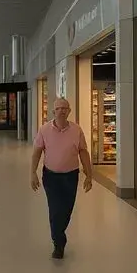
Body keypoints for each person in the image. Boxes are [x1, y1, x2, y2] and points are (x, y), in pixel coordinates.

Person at [30, 97, 93, 260]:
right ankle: (58, 243)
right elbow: (37, 152)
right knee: (55, 209)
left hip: (71, 177)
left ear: (69, 111)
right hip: (51, 177)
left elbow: (83, 152)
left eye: (65, 108)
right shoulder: (44, 130)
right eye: (58, 108)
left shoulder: (76, 130)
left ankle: (59, 236)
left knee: (66, 210)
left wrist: (89, 174)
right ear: (53, 112)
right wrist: (32, 173)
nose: (62, 111)